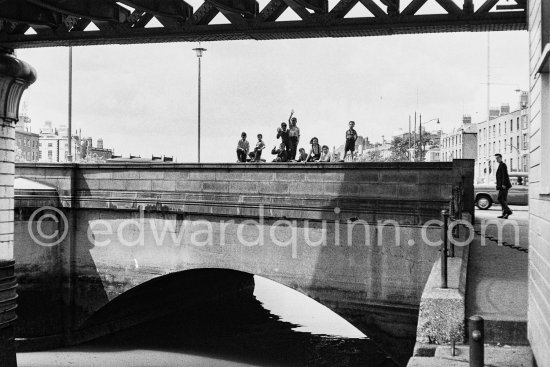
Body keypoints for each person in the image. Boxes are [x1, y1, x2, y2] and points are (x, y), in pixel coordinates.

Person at [495, 153, 513, 219]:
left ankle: (508, 211)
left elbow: (504, 175)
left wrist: (503, 184)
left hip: (504, 186)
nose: (496, 159)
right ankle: (505, 214)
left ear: (500, 158)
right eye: (496, 158)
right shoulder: (500, 165)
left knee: (500, 198)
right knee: (504, 199)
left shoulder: (503, 165)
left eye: (497, 158)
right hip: (502, 185)